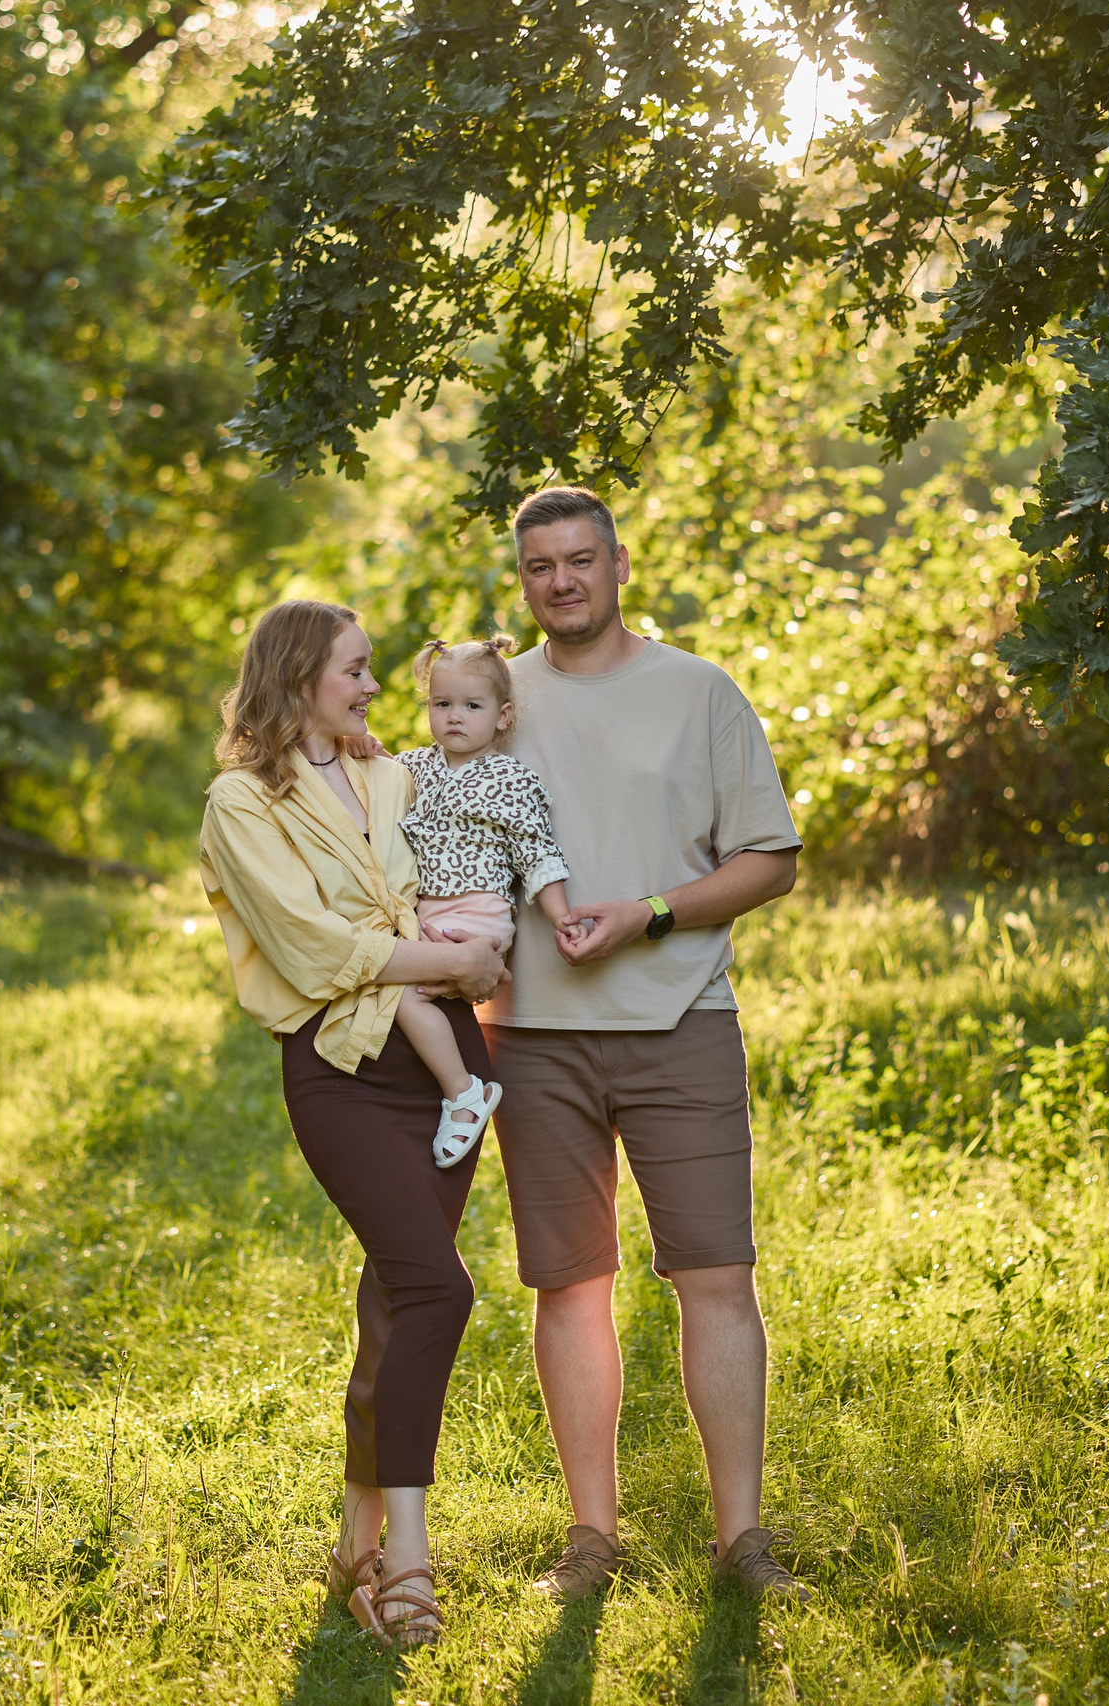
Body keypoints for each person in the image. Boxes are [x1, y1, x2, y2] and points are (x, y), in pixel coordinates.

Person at [478, 486, 814, 1604]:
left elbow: (769, 858)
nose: (562, 581)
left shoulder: (699, 691)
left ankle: (743, 1541)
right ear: (522, 579)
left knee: (716, 1275)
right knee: (569, 1286)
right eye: (540, 566)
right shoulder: (494, 699)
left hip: (681, 1024)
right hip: (531, 1035)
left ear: (619, 563)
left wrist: (650, 913)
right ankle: (591, 1538)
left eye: (580, 559)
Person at [196, 599, 508, 1649]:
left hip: (449, 1064)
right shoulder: (240, 803)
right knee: (436, 1287)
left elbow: (465, 850)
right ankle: (409, 1561)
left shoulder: (391, 776)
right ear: (298, 678)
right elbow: (313, 949)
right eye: (357, 669)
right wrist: (452, 960)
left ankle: (355, 1547)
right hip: (341, 1068)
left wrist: (481, 942)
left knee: (396, 1298)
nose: (375, 687)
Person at [389, 635, 584, 1167]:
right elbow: (374, 776)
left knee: (407, 996)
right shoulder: (416, 767)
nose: (454, 716)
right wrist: (363, 748)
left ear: (502, 717)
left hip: (478, 913)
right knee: (403, 990)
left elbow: (537, 854)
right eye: (442, 704)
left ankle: (464, 1094)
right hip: (426, 911)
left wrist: (562, 917)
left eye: (472, 706)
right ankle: (428, 1095)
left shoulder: (510, 778)